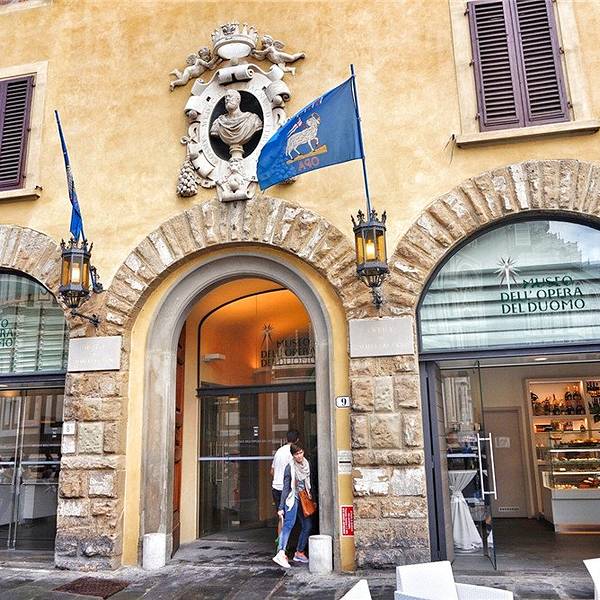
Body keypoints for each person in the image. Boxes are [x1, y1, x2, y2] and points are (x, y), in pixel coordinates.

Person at [272, 443, 313, 569]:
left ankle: (299, 552)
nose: (299, 456)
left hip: (304, 497)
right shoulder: (289, 467)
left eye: (301, 453)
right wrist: (281, 507)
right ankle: (281, 552)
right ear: (293, 455)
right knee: (289, 524)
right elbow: (286, 488)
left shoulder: (306, 464)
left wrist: (313, 498)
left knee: (307, 525)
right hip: (292, 498)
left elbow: (309, 483)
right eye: (296, 454)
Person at [210, 89, 263, 156]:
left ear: (238, 99)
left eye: (230, 96)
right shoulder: (218, 123)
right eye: (226, 98)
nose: (227, 99)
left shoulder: (253, 119)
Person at [271, 429, 300, 530]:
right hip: (287, 489)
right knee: (289, 518)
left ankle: (280, 539)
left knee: (281, 516)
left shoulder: (279, 451)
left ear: (286, 439)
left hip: (276, 487)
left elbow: (272, 471)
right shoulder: (293, 453)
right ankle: (285, 538)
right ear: (297, 440)